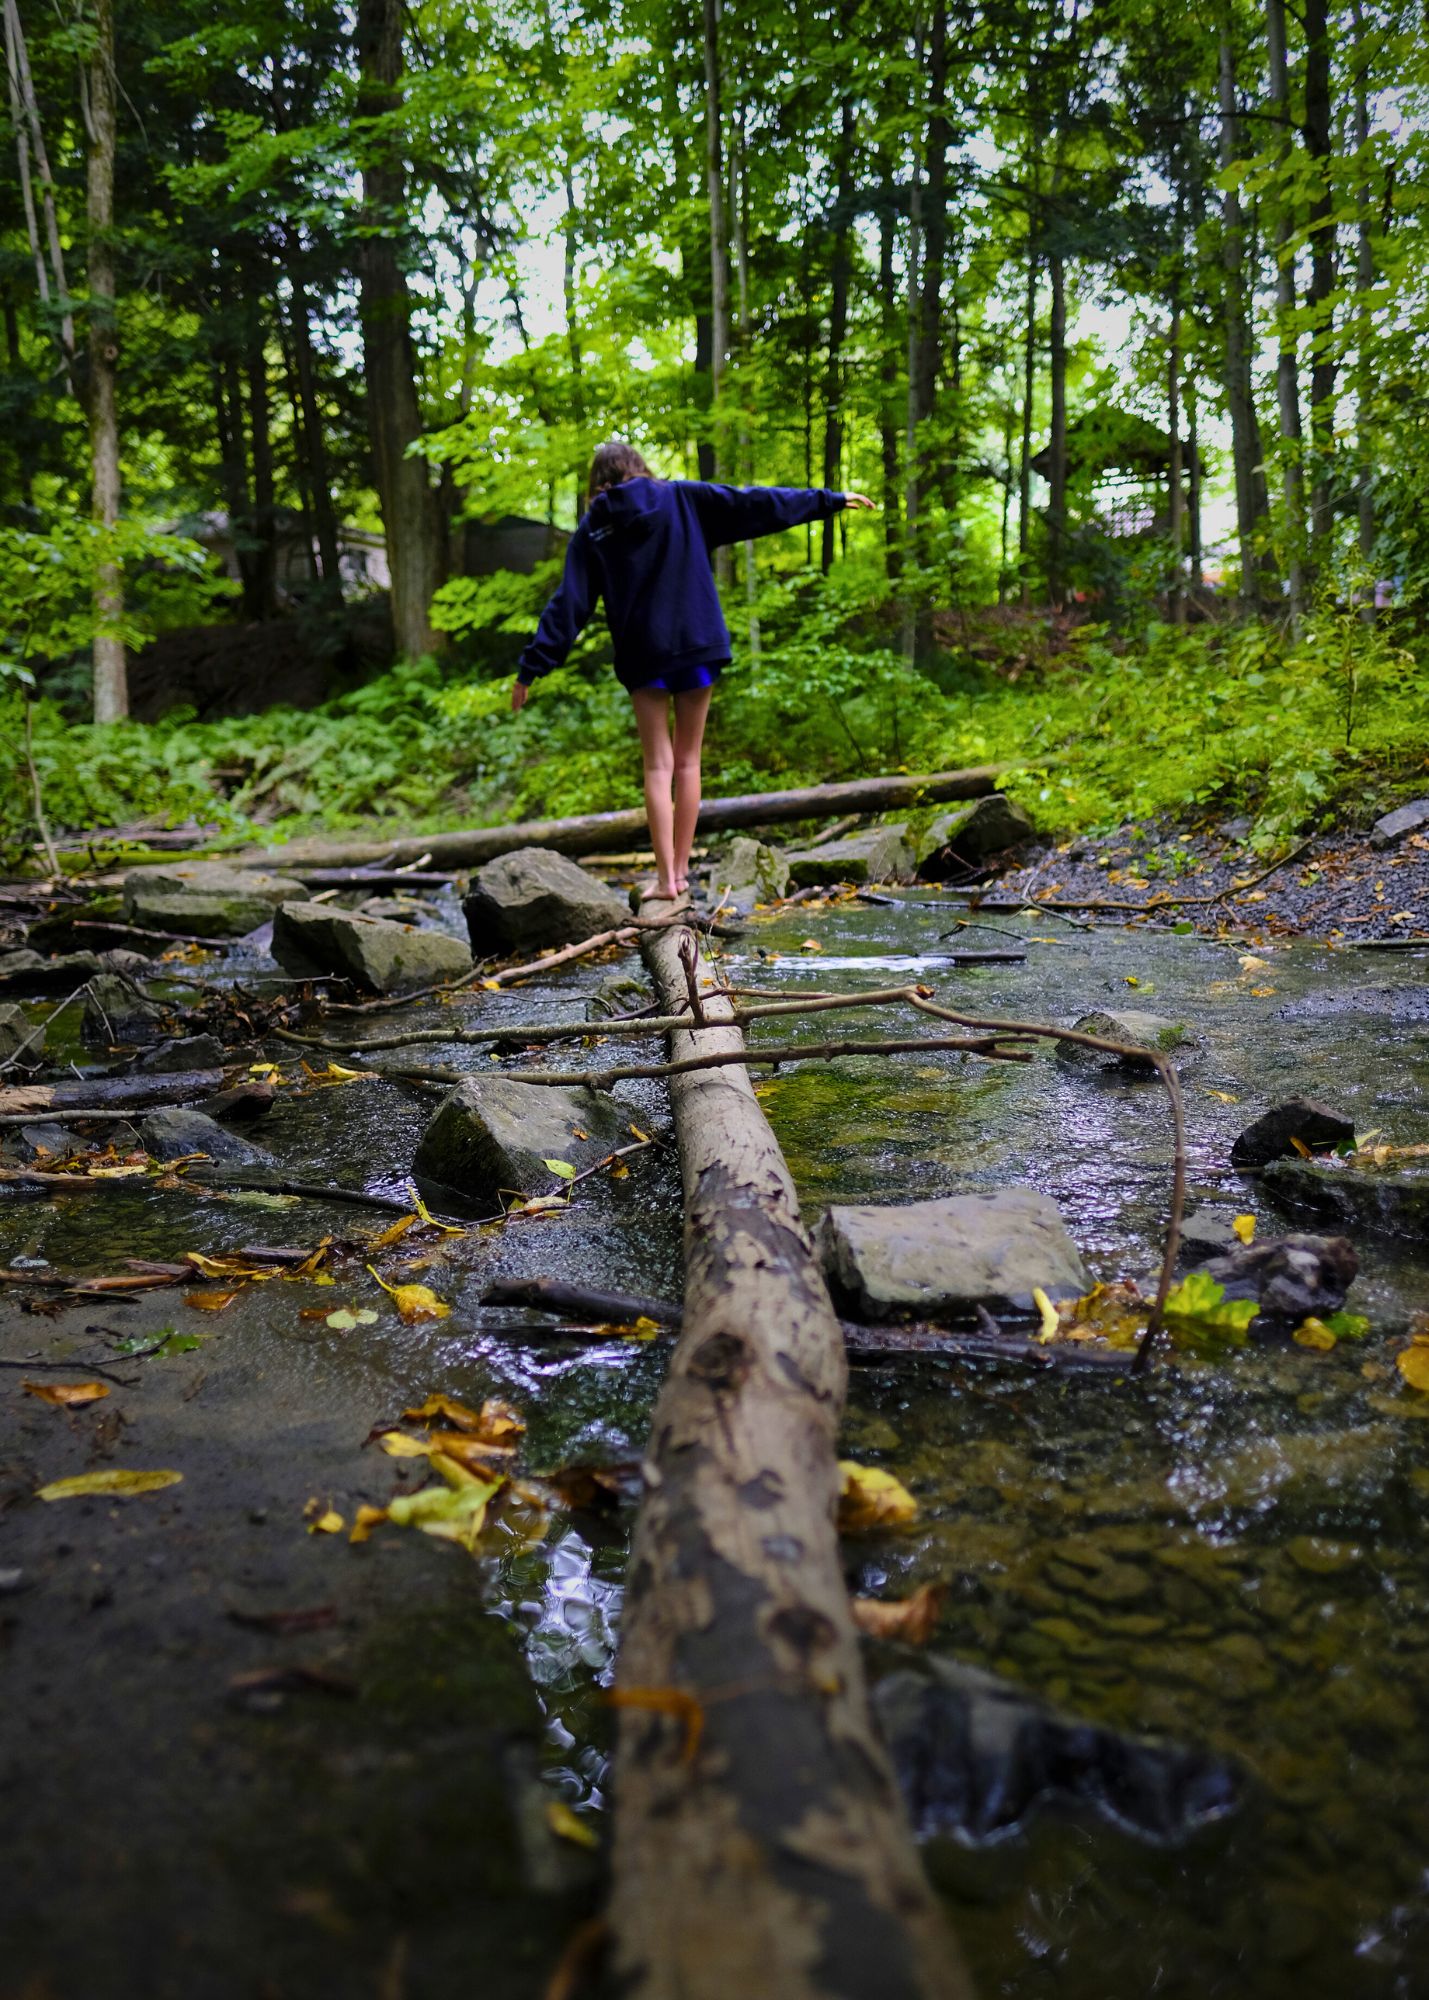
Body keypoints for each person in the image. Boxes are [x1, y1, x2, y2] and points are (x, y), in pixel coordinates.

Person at [510, 440, 875, 901]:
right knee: (689, 761)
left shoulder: (593, 528)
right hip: (699, 644)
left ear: (596, 483)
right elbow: (756, 503)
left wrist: (530, 669)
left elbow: (570, 606)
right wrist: (829, 500)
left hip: (645, 655)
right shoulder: (681, 497)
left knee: (658, 764)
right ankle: (681, 872)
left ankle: (666, 881)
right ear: (638, 469)